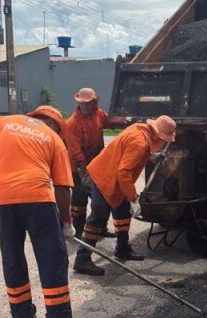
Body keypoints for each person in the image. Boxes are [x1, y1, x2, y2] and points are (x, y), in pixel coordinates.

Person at [0, 105, 84, 318]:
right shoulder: (54, 140)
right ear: (57, 126)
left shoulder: (5, 122)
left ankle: (23, 317)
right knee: (52, 256)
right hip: (38, 199)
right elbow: (62, 187)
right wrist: (67, 222)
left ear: (34, 116)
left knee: (12, 255)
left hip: (3, 201)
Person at [74, 115, 177, 276]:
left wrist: (152, 157)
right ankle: (82, 259)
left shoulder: (140, 129)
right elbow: (124, 172)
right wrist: (133, 198)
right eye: (164, 139)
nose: (164, 142)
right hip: (104, 177)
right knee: (98, 216)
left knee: (122, 212)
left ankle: (122, 248)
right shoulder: (140, 142)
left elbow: (131, 153)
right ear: (158, 134)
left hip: (112, 173)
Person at [64, 87, 109, 239]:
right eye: (82, 103)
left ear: (94, 102)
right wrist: (85, 173)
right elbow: (76, 153)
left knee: (101, 199)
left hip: (98, 164)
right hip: (79, 168)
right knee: (79, 200)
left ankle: (101, 228)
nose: (85, 106)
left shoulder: (99, 114)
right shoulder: (72, 123)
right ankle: (78, 231)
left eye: (88, 103)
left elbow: (110, 123)